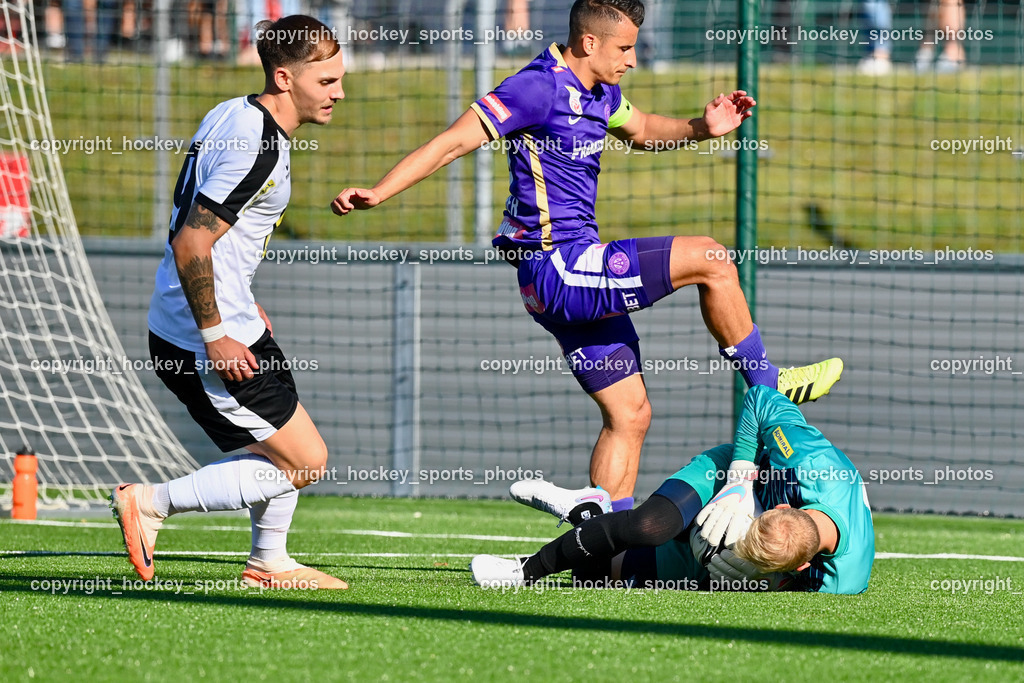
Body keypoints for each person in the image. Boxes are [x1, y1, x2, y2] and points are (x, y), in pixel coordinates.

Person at [331, 0, 843, 513]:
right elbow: (451, 143)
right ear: (589, 42)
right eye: (625, 47)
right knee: (710, 257)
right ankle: (766, 384)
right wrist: (380, 191)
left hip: (567, 276)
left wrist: (700, 128)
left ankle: (601, 555)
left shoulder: (602, 92)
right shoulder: (535, 87)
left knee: (630, 415)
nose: (633, 59)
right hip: (556, 266)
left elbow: (640, 130)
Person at [111, 15, 348, 590]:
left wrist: (237, 303)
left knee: (280, 444)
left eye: (341, 79)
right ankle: (149, 503)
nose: (339, 92)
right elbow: (192, 239)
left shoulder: (234, 111)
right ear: (286, 78)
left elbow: (215, 234)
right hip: (199, 332)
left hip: (225, 314)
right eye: (327, 82)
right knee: (304, 462)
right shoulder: (258, 145)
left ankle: (270, 561)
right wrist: (216, 331)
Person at [471, 385, 876, 594]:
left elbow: (789, 592)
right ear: (781, 505)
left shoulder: (840, 583)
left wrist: (758, 580)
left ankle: (588, 512)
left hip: (740, 559)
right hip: (729, 478)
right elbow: (760, 398)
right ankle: (524, 570)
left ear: (802, 566)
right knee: (650, 525)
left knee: (592, 577)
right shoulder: (806, 460)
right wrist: (739, 482)